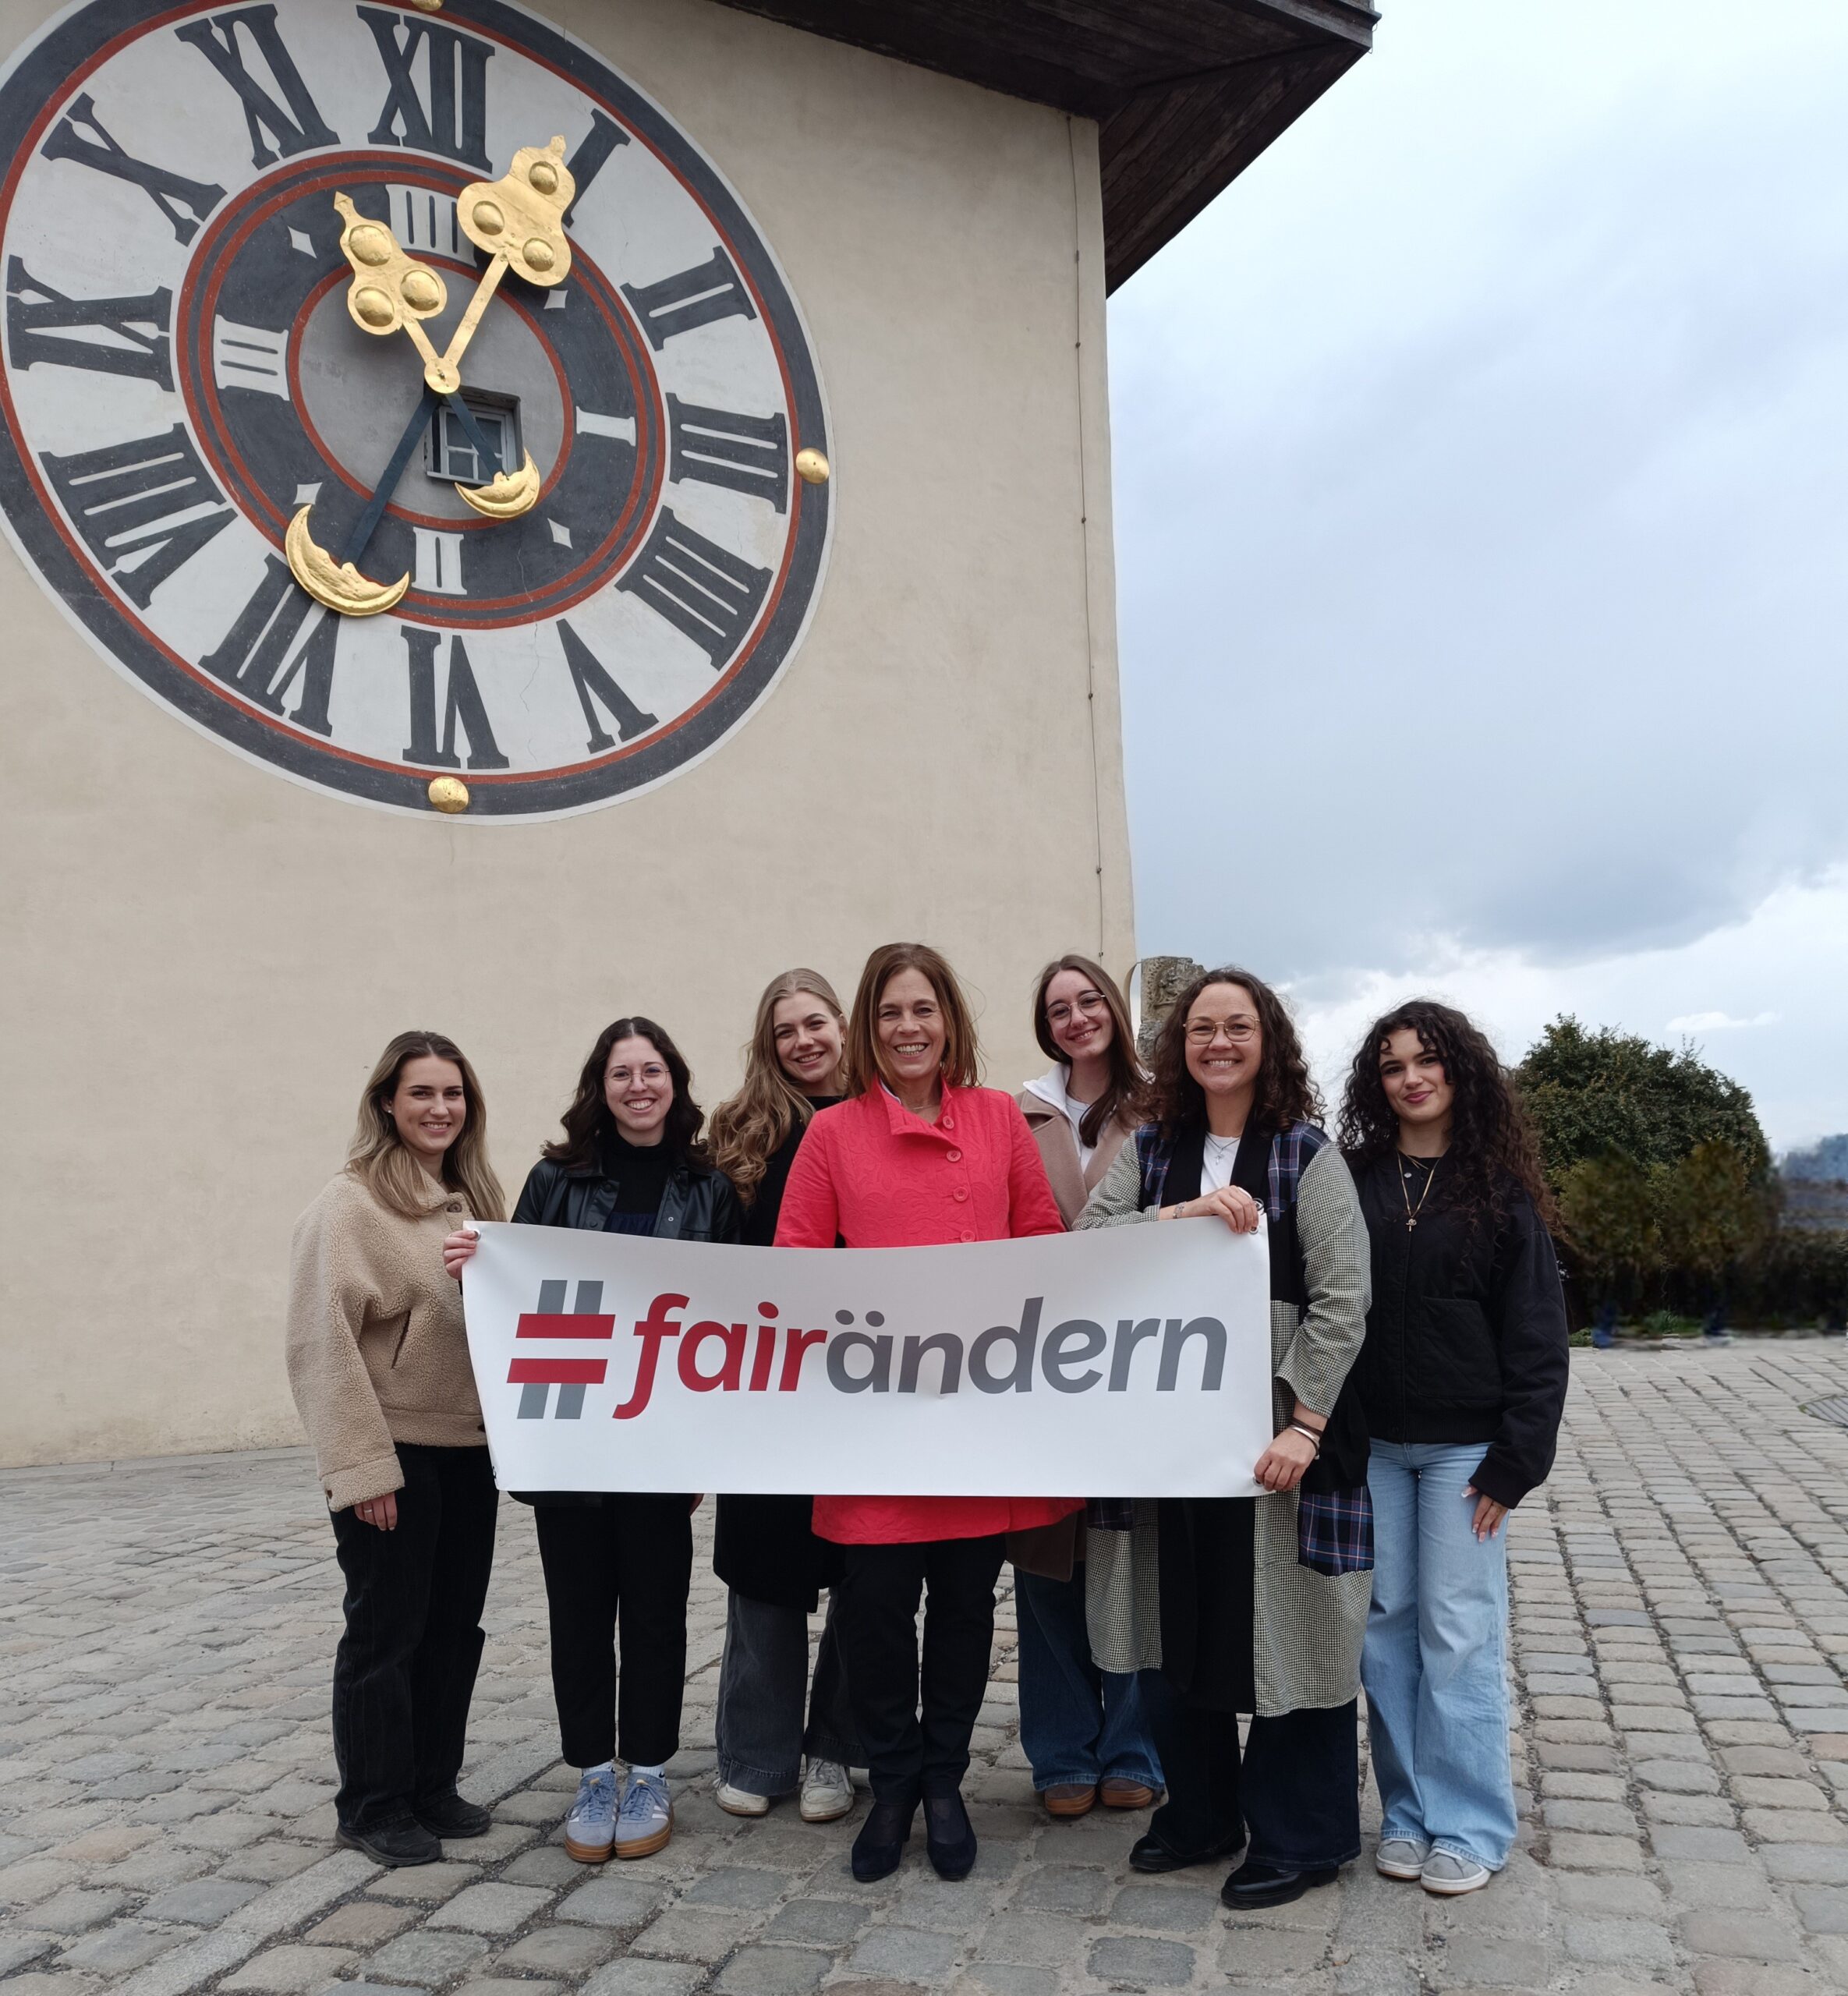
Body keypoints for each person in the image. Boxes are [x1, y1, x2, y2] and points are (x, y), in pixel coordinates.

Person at [775, 942, 1081, 1884]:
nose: (908, 1028)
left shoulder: (996, 1118)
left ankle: (944, 1781)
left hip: (974, 1414)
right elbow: (794, 1265)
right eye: (890, 1012)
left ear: (948, 1019)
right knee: (872, 1614)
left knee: (963, 1608)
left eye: (923, 1009)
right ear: (868, 1028)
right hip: (874, 1417)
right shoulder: (832, 1133)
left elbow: (1042, 1245)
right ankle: (895, 1780)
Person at [1075, 967, 1372, 1910]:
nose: (1219, 1043)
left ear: (1267, 1039)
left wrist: (1305, 1423)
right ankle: (1200, 1814)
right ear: (1181, 1044)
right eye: (1202, 1027)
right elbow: (1088, 1242)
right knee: (1178, 1628)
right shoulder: (1153, 1147)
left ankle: (1301, 1836)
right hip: (1170, 1443)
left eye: (1238, 1026)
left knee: (1292, 1635)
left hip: (1274, 1445)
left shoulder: (1304, 1154)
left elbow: (1343, 1301)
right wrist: (1182, 1215)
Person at [444, 1018, 742, 1864]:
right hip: (571, 1439)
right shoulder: (555, 1179)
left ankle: (646, 1771)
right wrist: (476, 1265)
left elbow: (727, 1320)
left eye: (652, 1071)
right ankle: (589, 1773)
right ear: (599, 1088)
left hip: (661, 1441)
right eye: (622, 1073)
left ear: (675, 1082)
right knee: (577, 1615)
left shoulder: (709, 1186)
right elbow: (514, 1297)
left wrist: (708, 1444)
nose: (638, 1086)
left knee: (655, 1612)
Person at [1338, 1000, 1570, 1896]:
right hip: (1372, 1449)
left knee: (1458, 1632)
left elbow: (1539, 1337)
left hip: (1463, 1455)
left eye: (1426, 1060)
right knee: (1386, 1632)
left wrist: (1515, 1462)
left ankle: (1470, 1824)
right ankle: (1406, 1813)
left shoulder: (1499, 1192)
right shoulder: (1356, 1178)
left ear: (1459, 1070)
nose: (1411, 1078)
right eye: (1393, 1065)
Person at [286, 1031, 506, 1869]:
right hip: (396, 1454)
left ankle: (430, 1785)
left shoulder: (473, 1199)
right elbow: (321, 1344)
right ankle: (373, 1804)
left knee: (454, 1627)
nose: (440, 1108)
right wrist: (362, 1470)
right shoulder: (348, 1206)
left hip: (467, 1450)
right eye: (422, 1092)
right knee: (387, 1632)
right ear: (387, 1102)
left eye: (453, 1093)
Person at [705, 971, 860, 1824]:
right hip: (766, 1381)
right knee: (764, 1567)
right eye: (785, 1030)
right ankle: (756, 1752)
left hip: (867, 1381)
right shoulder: (740, 1130)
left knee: (864, 1571)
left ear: (842, 1024)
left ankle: (835, 1745)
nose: (803, 1041)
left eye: (815, 1023)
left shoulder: (881, 1112)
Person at [1011, 956, 1162, 1820]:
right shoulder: (1017, 1112)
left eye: (1089, 1000)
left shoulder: (1164, 1109)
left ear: (1114, 1008)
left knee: (1131, 1557)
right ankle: (1062, 1748)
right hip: (1037, 1365)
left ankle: (1136, 1745)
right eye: (1060, 1009)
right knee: (1046, 1561)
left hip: (1137, 1364)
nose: (1076, 1018)